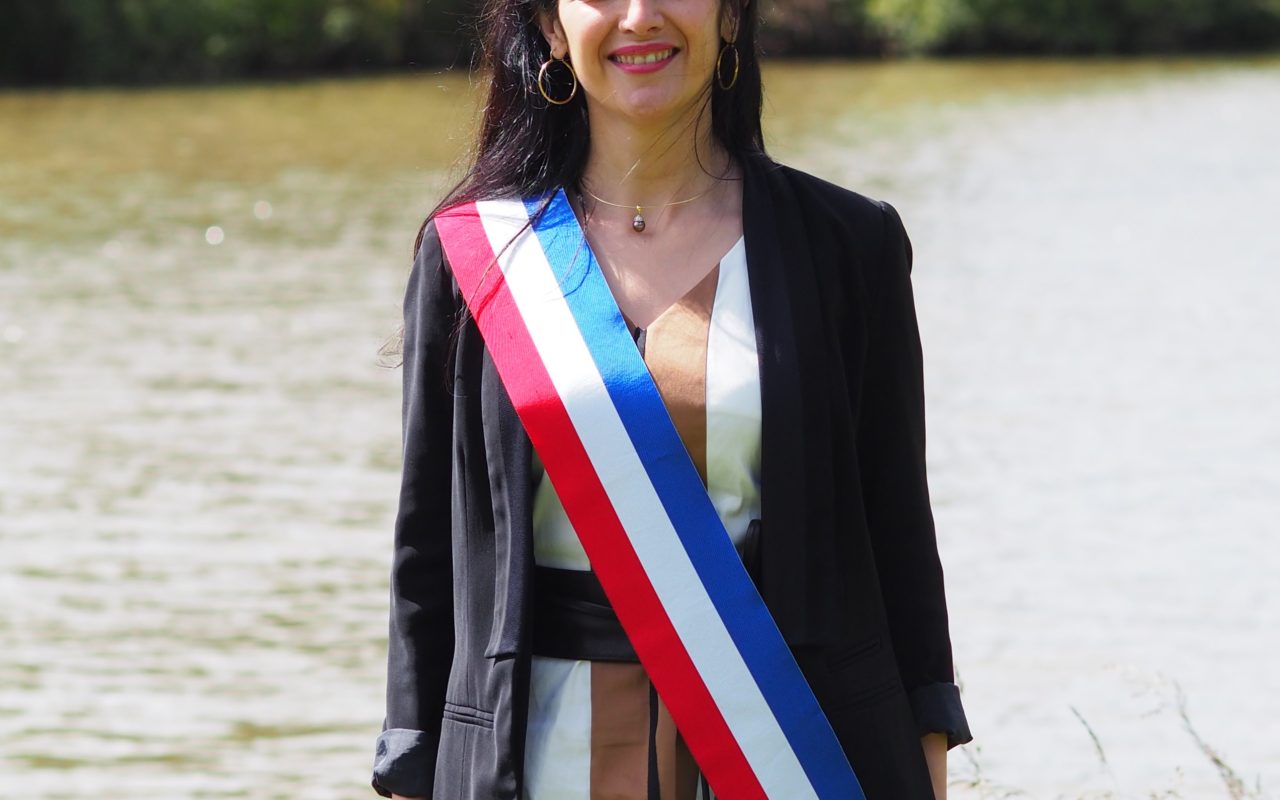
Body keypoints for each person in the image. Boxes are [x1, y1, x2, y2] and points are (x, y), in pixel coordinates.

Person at [371, 0, 973, 797]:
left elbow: (899, 539)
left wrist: (928, 757)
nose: (639, 16)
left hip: (790, 753)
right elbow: (428, 560)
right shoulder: (471, 256)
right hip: (535, 759)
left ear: (730, 17)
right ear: (551, 26)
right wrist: (409, 768)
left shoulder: (847, 245)